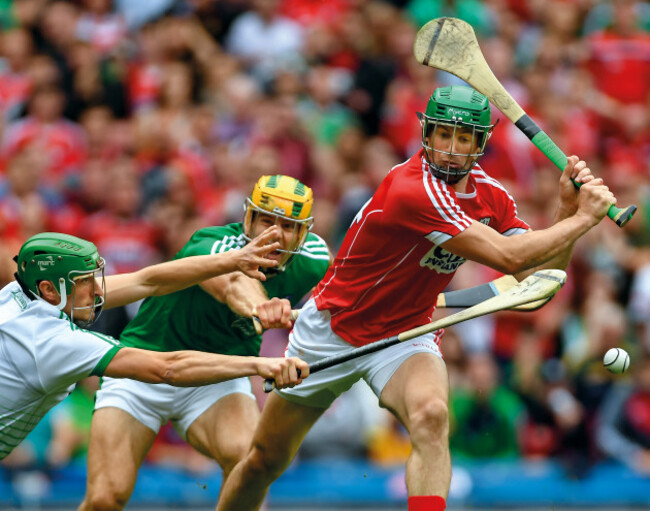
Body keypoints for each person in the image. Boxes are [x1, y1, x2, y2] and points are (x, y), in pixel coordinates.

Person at [215, 85, 617, 511]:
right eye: (444, 135)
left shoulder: (492, 196)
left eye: (464, 139)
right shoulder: (411, 188)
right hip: (333, 327)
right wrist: (585, 220)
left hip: (409, 331)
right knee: (264, 461)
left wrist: (567, 214)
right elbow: (509, 254)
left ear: (480, 144)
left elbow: (535, 277)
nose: (451, 149)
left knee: (431, 416)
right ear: (426, 133)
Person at [81, 175, 330, 510]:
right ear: (249, 219)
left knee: (251, 466)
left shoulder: (316, 258)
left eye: (287, 225)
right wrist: (260, 308)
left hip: (216, 377)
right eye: (266, 221)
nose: (274, 234)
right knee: (105, 499)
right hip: (144, 368)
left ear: (303, 233)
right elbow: (231, 283)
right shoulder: (213, 244)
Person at [0, 228, 309, 461]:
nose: (98, 290)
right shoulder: (54, 342)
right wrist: (261, 365)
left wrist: (232, 260)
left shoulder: (19, 293)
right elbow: (168, 368)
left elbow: (146, 281)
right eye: (85, 282)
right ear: (48, 289)